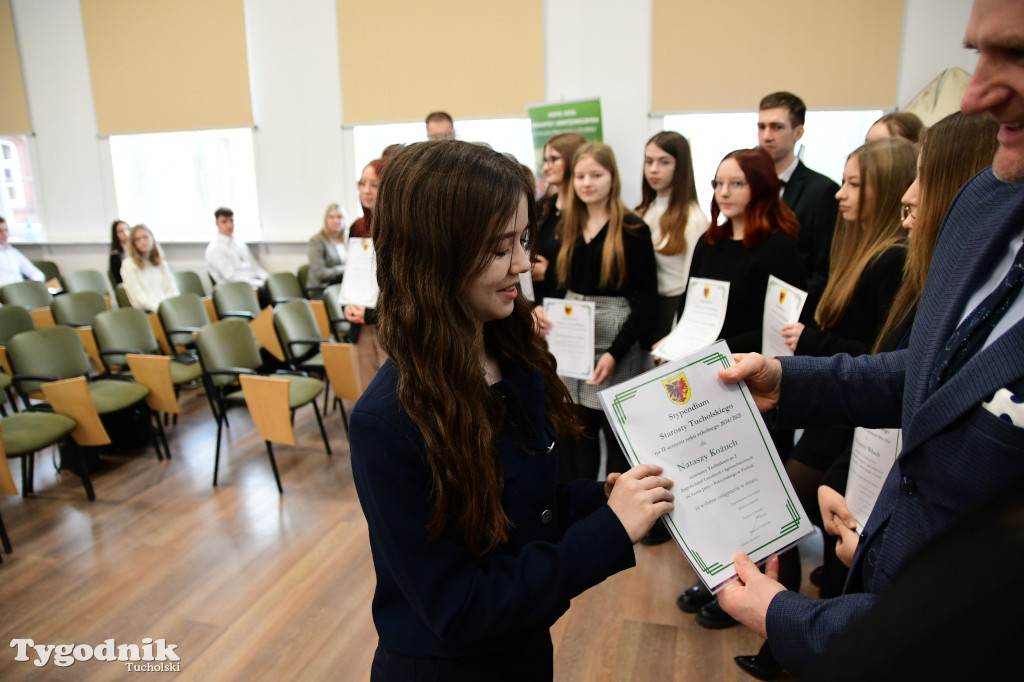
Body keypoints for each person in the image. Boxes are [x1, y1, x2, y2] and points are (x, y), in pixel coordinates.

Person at [716, 2, 1024, 676]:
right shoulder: (987, 206)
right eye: (979, 53)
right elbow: (938, 373)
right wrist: (788, 377)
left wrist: (789, 616)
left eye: (1018, 55)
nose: (976, 93)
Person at [349, 140, 675, 680]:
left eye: (523, 240)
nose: (523, 264)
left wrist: (604, 498)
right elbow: (460, 606)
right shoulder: (387, 423)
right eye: (502, 249)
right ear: (438, 255)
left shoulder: (508, 354)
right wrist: (608, 532)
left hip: (520, 650)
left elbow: (524, 504)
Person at [733, 137, 918, 679]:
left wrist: (809, 344)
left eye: (857, 183)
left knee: (788, 507)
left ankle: (787, 635)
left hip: (853, 417)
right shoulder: (858, 249)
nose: (841, 193)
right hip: (839, 408)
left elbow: (885, 360)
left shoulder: (893, 260)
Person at [671, 147, 806, 629]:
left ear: (762, 188)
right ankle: (719, 578)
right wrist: (677, 342)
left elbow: (778, 330)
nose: (723, 193)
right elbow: (690, 311)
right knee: (713, 489)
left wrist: (715, 347)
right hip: (705, 380)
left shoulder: (779, 248)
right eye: (717, 184)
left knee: (752, 493)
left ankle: (761, 592)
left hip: (754, 384)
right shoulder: (709, 242)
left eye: (736, 184)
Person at [533, 143, 657, 482]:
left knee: (617, 439)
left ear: (612, 178)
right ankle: (581, 519)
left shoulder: (633, 229)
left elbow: (647, 300)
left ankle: (619, 519)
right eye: (580, 176)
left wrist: (616, 353)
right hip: (572, 337)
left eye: (596, 175)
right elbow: (562, 283)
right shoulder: (568, 225)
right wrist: (544, 310)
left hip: (616, 339)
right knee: (575, 433)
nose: (587, 183)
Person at [757, 92, 840, 308]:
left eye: (777, 127)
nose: (766, 136)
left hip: (793, 312)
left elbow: (825, 269)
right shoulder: (748, 186)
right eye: (762, 126)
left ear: (798, 132)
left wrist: (782, 306)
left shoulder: (822, 191)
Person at [635, 131, 709, 341]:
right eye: (649, 161)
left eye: (664, 162)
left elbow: (692, 285)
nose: (654, 169)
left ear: (681, 165)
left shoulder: (693, 218)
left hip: (673, 309)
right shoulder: (642, 211)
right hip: (645, 306)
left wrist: (679, 333)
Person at [345, 159, 388, 391]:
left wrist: (372, 312)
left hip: (386, 324)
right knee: (366, 392)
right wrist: (349, 303)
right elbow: (352, 274)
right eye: (363, 183)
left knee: (391, 398)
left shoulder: (397, 228)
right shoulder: (357, 227)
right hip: (360, 323)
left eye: (374, 184)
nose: (367, 190)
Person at [531, 132, 586, 304]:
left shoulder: (588, 212)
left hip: (569, 308)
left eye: (554, 159)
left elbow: (589, 271)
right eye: (545, 160)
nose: (546, 167)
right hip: (536, 302)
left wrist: (549, 272)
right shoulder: (542, 206)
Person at [120, 224, 179, 312]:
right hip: (149, 311)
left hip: (167, 307)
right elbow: (138, 298)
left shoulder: (161, 263)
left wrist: (170, 306)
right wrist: (160, 309)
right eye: (138, 239)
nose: (143, 241)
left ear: (152, 238)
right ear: (133, 244)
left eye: (145, 237)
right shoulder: (128, 265)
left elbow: (172, 289)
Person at [204, 207, 268, 287]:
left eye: (231, 221)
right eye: (224, 222)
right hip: (236, 289)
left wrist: (268, 279)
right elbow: (231, 277)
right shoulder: (215, 249)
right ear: (217, 223)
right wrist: (259, 284)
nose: (229, 225)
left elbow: (255, 267)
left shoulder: (239, 244)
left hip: (253, 283)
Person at [306, 203, 347, 294]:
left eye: (339, 217)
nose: (335, 220)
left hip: (341, 285)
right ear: (326, 220)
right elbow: (320, 273)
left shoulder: (347, 240)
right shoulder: (316, 241)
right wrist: (342, 269)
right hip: (322, 289)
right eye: (331, 217)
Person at [0, 216, 49, 287]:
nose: (4, 234)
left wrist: (32, 285)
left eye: (6, 230)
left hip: (21, 290)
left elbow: (35, 273)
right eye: (0, 231)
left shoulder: (13, 252)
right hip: (5, 292)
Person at [108, 219, 130, 286]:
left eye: (127, 229)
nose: (125, 233)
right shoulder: (115, 256)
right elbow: (120, 280)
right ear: (116, 235)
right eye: (121, 231)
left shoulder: (136, 250)